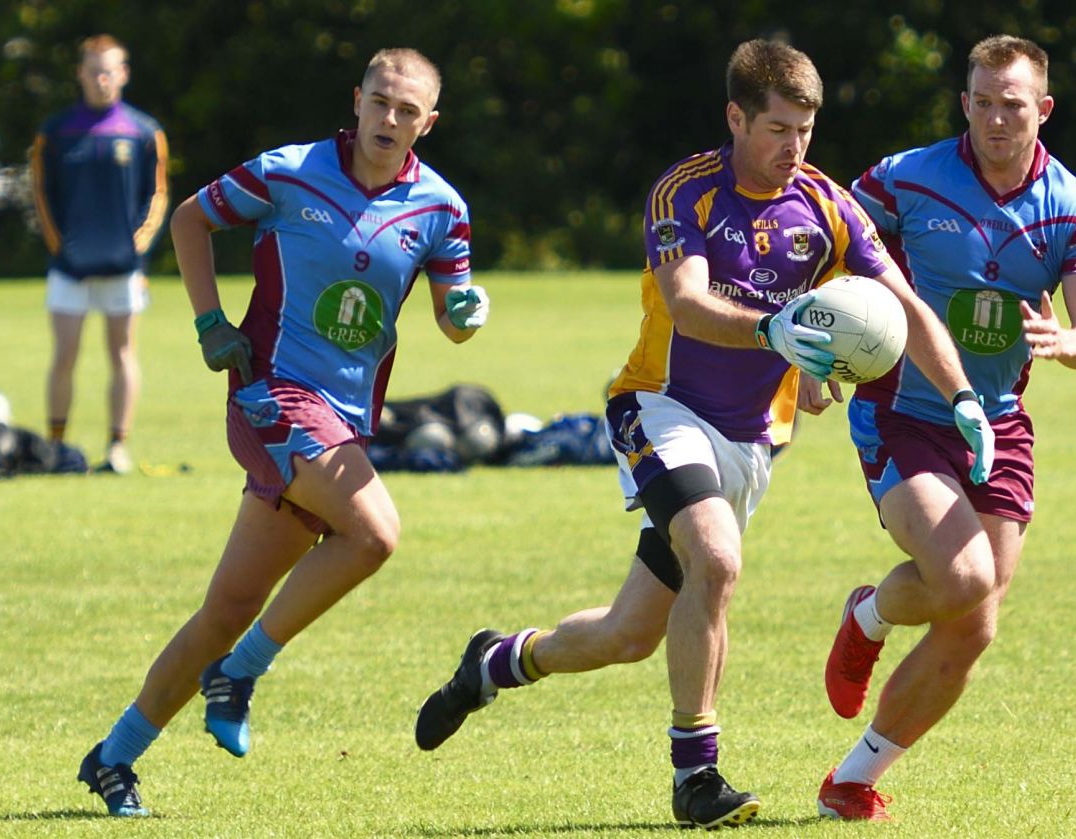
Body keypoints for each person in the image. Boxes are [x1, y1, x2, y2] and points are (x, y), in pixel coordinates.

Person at [415, 39, 991, 830]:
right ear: (736, 116)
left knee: (627, 634)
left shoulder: (825, 205)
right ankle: (697, 776)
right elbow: (685, 301)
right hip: (659, 407)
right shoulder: (685, 192)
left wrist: (960, 395)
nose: (794, 148)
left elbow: (904, 307)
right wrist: (775, 334)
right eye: (778, 129)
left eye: (806, 131)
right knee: (716, 556)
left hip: (752, 440)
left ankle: (495, 660)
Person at [76, 47, 489, 817]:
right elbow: (192, 219)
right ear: (357, 100)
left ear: (428, 124)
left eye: (407, 111)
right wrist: (209, 322)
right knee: (374, 533)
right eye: (380, 102)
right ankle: (241, 673)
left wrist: (465, 312)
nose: (389, 119)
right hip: (271, 397)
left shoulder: (443, 208)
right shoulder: (289, 170)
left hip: (344, 420)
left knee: (228, 607)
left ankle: (114, 755)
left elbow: (452, 312)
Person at [816, 35, 1076, 821]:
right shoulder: (904, 176)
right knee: (964, 578)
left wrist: (1068, 343)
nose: (994, 117)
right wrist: (811, 351)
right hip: (903, 410)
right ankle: (869, 618)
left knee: (972, 626)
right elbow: (826, 250)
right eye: (981, 101)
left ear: (1042, 110)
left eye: (1011, 104)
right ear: (965, 103)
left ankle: (851, 778)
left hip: (999, 423)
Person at [30, 34, 169, 474]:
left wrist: (137, 246)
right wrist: (60, 248)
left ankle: (117, 448)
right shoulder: (55, 132)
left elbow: (158, 195)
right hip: (68, 269)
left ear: (123, 74)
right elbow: (41, 194)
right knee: (65, 354)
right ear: (80, 73)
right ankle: (55, 447)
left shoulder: (144, 132)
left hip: (123, 269)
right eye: (93, 70)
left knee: (123, 353)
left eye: (109, 70)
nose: (101, 78)